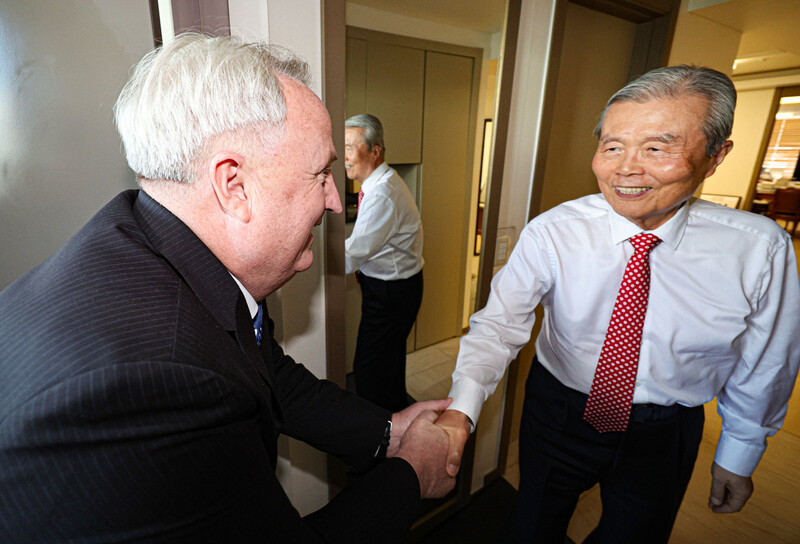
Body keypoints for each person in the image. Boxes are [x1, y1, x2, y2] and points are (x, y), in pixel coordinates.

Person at [0, 34, 455, 543]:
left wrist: (387, 432)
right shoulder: (156, 388)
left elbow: (262, 369)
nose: (333, 201)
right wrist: (412, 471)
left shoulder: (152, 239)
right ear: (233, 186)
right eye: (319, 174)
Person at [435, 65, 800, 543]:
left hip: (665, 430)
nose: (626, 168)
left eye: (657, 147)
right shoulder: (554, 231)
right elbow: (499, 325)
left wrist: (740, 452)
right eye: (611, 146)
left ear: (715, 156)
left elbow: (767, 362)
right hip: (558, 411)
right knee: (533, 524)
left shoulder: (759, 249)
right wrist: (460, 412)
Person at [344, 114, 424, 411]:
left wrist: (302, 256)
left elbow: (353, 254)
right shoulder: (379, 184)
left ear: (375, 151)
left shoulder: (383, 194)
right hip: (395, 287)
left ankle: (380, 438)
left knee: (369, 371)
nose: (346, 158)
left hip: (391, 294)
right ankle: (397, 422)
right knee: (387, 365)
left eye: (351, 148)